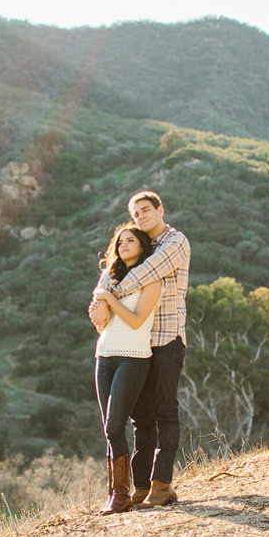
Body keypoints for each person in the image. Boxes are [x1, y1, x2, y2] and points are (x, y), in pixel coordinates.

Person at [89, 190, 189, 508]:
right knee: (140, 420)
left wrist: (108, 293)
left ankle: (161, 486)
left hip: (166, 339)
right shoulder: (139, 249)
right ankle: (141, 487)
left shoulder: (174, 243)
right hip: (138, 346)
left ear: (161, 210)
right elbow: (108, 282)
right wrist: (100, 297)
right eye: (136, 214)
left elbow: (143, 275)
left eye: (146, 211)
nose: (141, 217)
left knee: (165, 413)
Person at [91, 224, 162, 515]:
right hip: (104, 356)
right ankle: (116, 493)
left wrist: (108, 300)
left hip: (133, 357)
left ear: (143, 246)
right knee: (110, 428)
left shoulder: (151, 280)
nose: (124, 245)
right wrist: (101, 307)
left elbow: (135, 321)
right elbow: (98, 320)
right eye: (120, 242)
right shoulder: (110, 276)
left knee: (114, 424)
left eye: (130, 240)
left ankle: (120, 495)